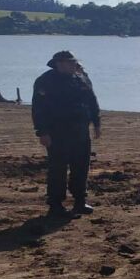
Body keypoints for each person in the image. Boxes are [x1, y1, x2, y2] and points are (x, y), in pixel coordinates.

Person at [32, 51, 101, 217]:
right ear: (55, 64)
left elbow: (92, 101)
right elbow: (38, 108)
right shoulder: (45, 81)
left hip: (80, 131)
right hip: (57, 132)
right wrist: (42, 132)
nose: (64, 65)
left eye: (67, 62)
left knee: (81, 166)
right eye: (60, 62)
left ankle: (79, 201)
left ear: (74, 63)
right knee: (58, 168)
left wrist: (96, 123)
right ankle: (55, 204)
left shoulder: (82, 78)